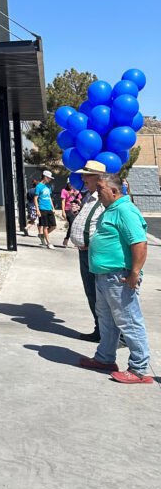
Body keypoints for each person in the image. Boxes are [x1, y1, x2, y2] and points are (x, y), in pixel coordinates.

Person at [79, 172, 153, 383]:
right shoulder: (110, 209)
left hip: (120, 277)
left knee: (129, 321)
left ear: (114, 190)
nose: (97, 191)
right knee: (107, 320)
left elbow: (139, 243)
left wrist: (134, 274)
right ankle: (105, 358)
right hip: (105, 276)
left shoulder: (125, 210)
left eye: (100, 188)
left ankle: (138, 369)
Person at [69, 160, 106, 341]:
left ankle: (113, 334)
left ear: (97, 177)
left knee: (102, 295)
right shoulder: (88, 196)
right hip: (85, 253)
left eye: (86, 175)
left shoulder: (104, 198)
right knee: (91, 292)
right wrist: (77, 212)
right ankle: (100, 329)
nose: (82, 178)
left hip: (95, 253)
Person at [35, 170, 57, 248]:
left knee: (53, 226)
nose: (50, 179)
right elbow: (35, 198)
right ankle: (49, 243)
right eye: (49, 178)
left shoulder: (48, 186)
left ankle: (43, 235)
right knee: (45, 226)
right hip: (42, 208)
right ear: (45, 177)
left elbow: (49, 197)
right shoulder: (38, 186)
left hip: (49, 208)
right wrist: (37, 210)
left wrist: (53, 207)